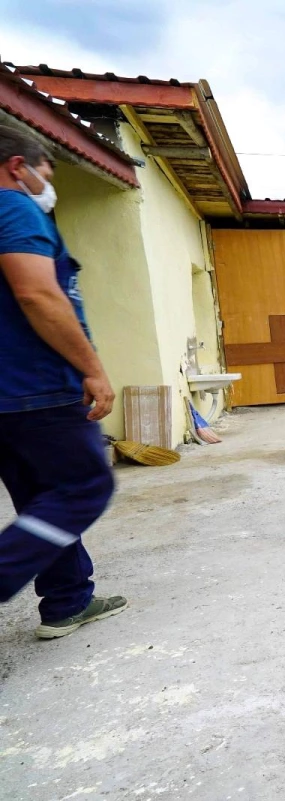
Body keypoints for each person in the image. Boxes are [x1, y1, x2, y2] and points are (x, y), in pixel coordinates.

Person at [0, 125, 126, 640]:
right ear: (17, 166)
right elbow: (39, 296)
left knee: (40, 496)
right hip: (35, 383)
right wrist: (92, 367)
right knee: (84, 486)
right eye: (46, 171)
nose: (47, 183)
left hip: (9, 393)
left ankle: (67, 601)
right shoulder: (13, 207)